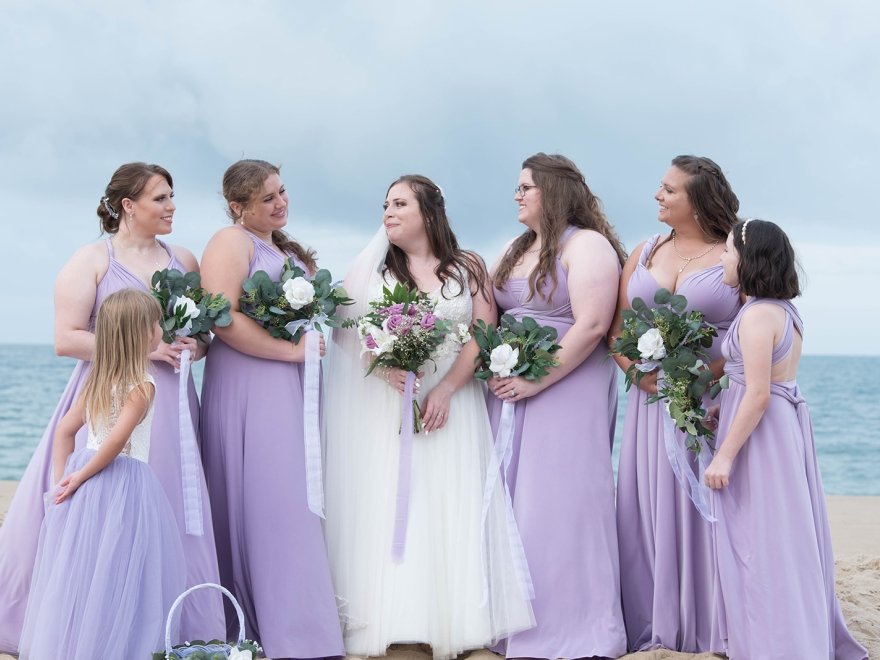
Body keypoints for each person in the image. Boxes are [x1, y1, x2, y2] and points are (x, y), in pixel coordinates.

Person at [0, 163, 223, 653]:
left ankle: (174, 624)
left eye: (171, 196)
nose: (171, 207)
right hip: (109, 390)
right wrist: (140, 351)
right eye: (160, 198)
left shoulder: (182, 258)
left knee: (171, 504)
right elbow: (66, 339)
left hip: (171, 397)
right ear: (128, 205)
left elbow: (204, 335)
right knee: (102, 507)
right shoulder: (90, 261)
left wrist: (192, 347)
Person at [322, 175, 534, 659]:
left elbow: (482, 331)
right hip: (389, 403)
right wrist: (382, 371)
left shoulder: (468, 267)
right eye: (385, 205)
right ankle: (394, 617)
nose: (388, 213)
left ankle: (453, 619)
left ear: (428, 212)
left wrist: (447, 388)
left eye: (400, 203)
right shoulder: (375, 269)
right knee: (392, 500)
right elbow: (343, 332)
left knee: (447, 499)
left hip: (451, 402)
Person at [199, 159, 344, 659]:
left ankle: (299, 623)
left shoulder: (284, 246)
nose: (281, 203)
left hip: (290, 378)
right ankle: (272, 626)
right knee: (270, 493)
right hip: (250, 378)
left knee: (294, 492)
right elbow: (220, 315)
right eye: (268, 198)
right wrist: (289, 352)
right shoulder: (230, 241)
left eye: (282, 192)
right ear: (238, 207)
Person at [704, 219, 867, 659]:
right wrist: (725, 405)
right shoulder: (781, 310)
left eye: (726, 252)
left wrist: (723, 456)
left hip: (763, 438)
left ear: (748, 258)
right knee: (777, 534)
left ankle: (775, 641)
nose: (722, 258)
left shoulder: (758, 315)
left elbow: (758, 393)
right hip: (777, 429)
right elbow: (764, 383)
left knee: (763, 539)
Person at [487, 153, 627, 658]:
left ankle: (573, 624)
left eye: (526, 186)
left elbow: (592, 325)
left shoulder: (587, 246)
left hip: (567, 387)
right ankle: (510, 619)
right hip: (509, 392)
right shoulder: (516, 246)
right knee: (515, 500)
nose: (518, 194)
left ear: (553, 190)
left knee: (560, 501)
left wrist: (535, 380)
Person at [611, 155, 740, 652]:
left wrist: (697, 380)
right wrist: (641, 379)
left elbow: (751, 333)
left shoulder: (734, 251)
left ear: (698, 199)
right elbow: (618, 332)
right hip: (649, 405)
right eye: (660, 187)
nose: (658, 196)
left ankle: (711, 620)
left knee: (710, 504)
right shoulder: (644, 250)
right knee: (646, 504)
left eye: (669, 190)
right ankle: (651, 618)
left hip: (708, 401)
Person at [19, 289, 186, 658]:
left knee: (84, 572)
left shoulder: (98, 379)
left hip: (87, 483)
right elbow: (115, 443)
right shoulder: (143, 384)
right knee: (118, 573)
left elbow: (65, 431)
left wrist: (59, 483)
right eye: (155, 323)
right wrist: (72, 481)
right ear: (141, 334)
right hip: (121, 484)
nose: (160, 329)